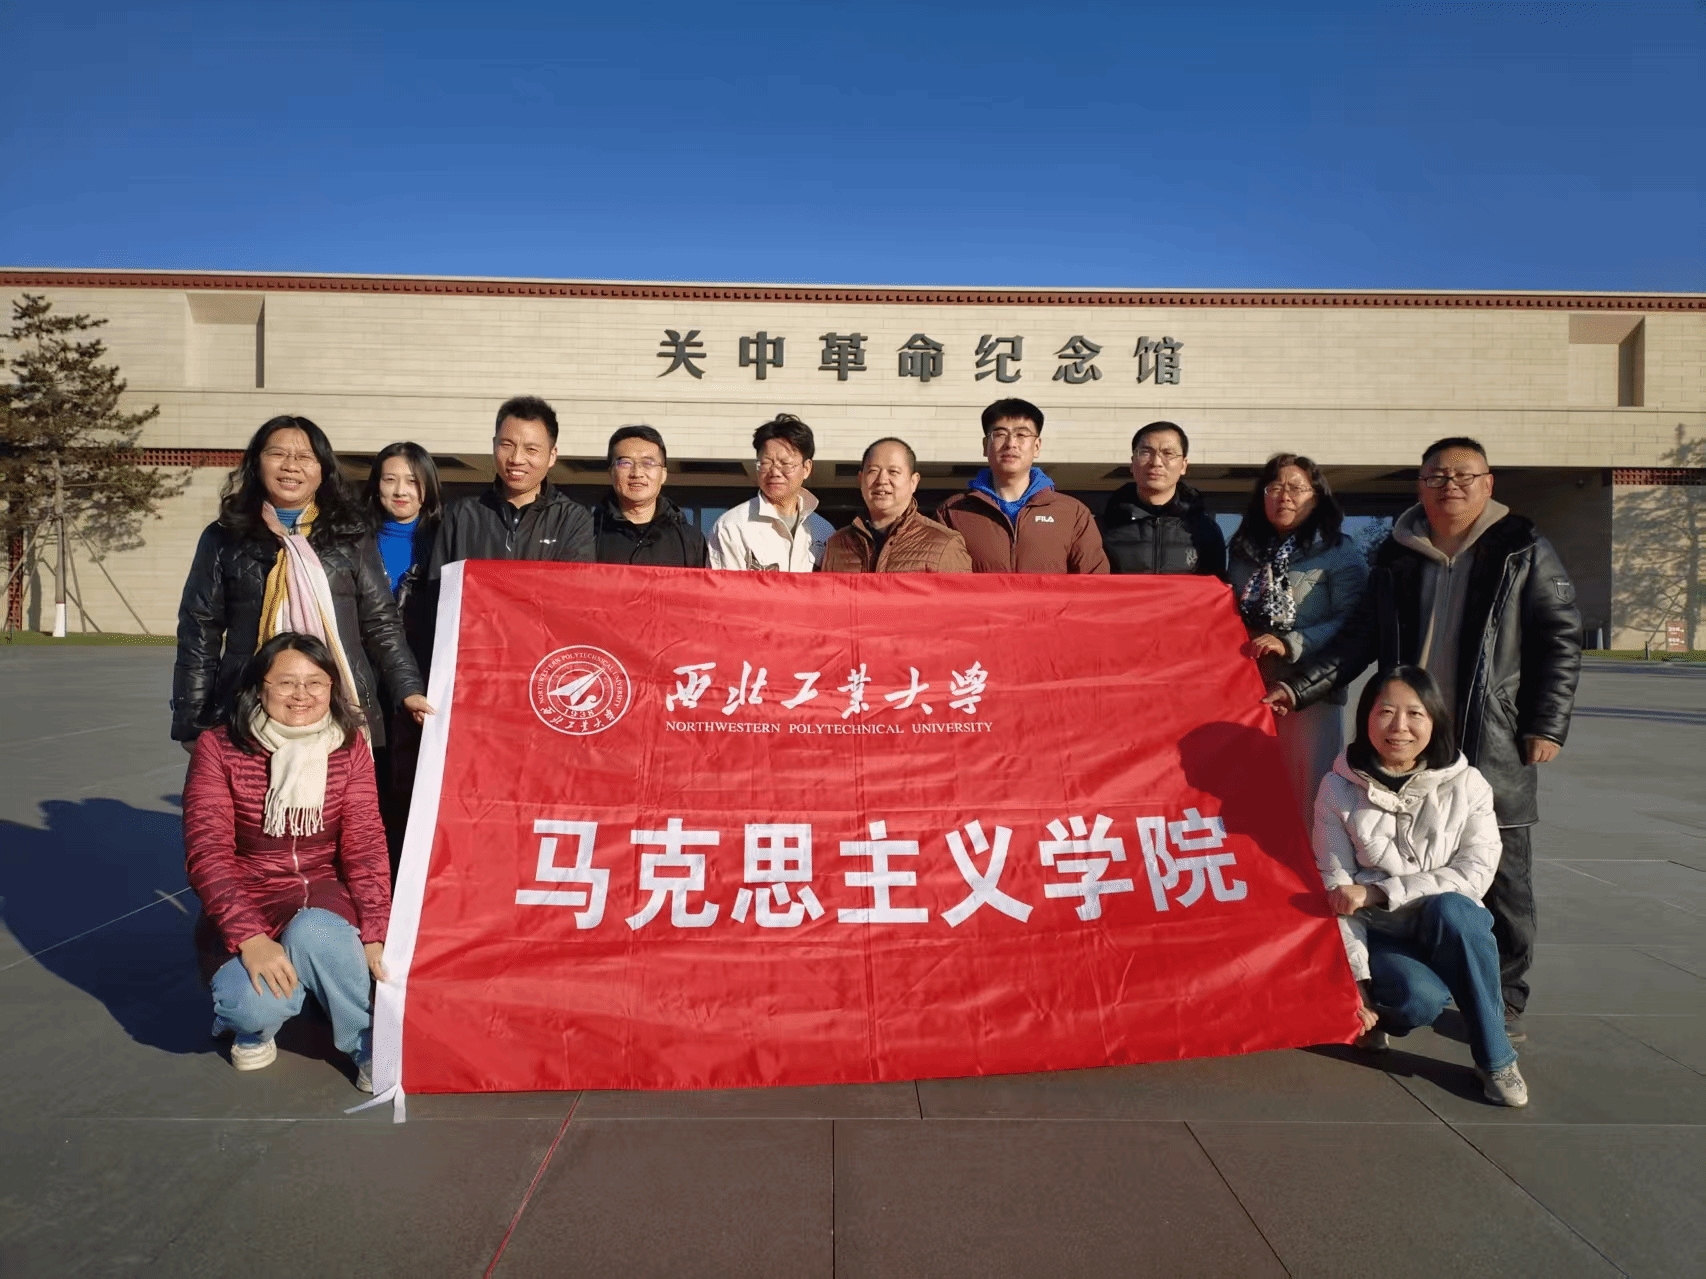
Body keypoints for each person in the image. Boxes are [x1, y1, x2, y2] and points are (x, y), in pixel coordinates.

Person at [1272, 437, 1581, 1043]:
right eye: (1437, 475)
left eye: (1464, 475)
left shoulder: (1521, 548)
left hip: (1490, 735)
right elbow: (1360, 637)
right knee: (1388, 854)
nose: (1450, 486)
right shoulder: (1397, 552)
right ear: (1420, 485)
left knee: (1505, 876)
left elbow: (1559, 636)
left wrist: (1545, 722)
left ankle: (1503, 1001)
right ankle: (1397, 976)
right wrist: (1298, 688)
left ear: (1488, 483)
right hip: (1403, 736)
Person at [184, 632, 392, 1089]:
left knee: (319, 933)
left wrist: (376, 930)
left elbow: (365, 843)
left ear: (331, 688)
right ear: (259, 687)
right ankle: (254, 1030)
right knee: (252, 1004)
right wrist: (251, 938)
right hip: (251, 894)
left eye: (315, 683)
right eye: (285, 683)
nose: (302, 695)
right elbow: (207, 853)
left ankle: (363, 1041)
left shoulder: (350, 744)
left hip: (323, 892)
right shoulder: (219, 747)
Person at [1314, 666, 1527, 1107]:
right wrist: (1356, 985)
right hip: (1382, 934)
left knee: (1457, 910)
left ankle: (1497, 1060)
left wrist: (1380, 891)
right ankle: (1381, 1017)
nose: (1399, 727)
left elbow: (1475, 872)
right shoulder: (1337, 788)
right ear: (1366, 718)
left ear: (1435, 721)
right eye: (1385, 712)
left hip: (1446, 924)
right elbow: (1337, 891)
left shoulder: (1468, 784)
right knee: (1417, 1002)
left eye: (1415, 714)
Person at [174, 416, 428, 750]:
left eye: (305, 457)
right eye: (277, 454)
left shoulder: (350, 535)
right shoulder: (223, 537)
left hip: (340, 706)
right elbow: (198, 632)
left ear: (323, 470)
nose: (291, 466)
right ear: (257, 463)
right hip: (248, 705)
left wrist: (409, 689)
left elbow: (381, 622)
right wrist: (193, 723)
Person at [1228, 454, 1368, 828]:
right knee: (1255, 800)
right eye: (1274, 487)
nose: (1284, 496)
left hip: (1311, 693)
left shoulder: (1338, 550)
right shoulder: (1242, 552)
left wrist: (1290, 642)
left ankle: (1313, 866)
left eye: (1296, 487)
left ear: (1316, 497)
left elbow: (1354, 621)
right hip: (1250, 694)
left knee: (1309, 800)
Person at [362, 441, 443, 874]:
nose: (401, 490)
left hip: (422, 683)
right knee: (367, 791)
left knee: (412, 790)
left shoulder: (444, 539)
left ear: (428, 486)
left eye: (412, 480)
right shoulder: (355, 539)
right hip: (364, 682)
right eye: (390, 479)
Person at [426, 395, 595, 576]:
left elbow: (575, 587)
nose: (516, 459)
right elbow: (440, 586)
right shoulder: (462, 515)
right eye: (507, 445)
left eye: (531, 449)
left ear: (552, 455)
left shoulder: (572, 520)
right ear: (494, 445)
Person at [935, 398, 1108, 573]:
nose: (1011, 444)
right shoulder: (952, 512)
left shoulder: (1073, 513)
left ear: (1037, 446)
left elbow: (1095, 581)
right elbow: (941, 580)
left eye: (1021, 435)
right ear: (986, 446)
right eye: (1000, 434)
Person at [822, 438, 973, 572]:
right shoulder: (837, 543)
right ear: (860, 479)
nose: (882, 480)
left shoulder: (945, 544)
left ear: (913, 481)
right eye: (873, 471)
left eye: (893, 472)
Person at [1099, 421, 1227, 578]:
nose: (1156, 462)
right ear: (1132, 463)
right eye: (1146, 452)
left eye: (1168, 453)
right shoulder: (1102, 528)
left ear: (1183, 465)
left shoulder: (1205, 530)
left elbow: (1216, 587)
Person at [708, 413, 834, 571]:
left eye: (785, 464)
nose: (775, 472)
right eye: (766, 463)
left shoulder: (824, 531)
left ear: (806, 468)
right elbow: (726, 586)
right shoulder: (732, 526)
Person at [591, 425, 709, 567]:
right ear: (611, 472)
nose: (637, 473)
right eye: (625, 463)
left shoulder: (690, 540)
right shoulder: (586, 534)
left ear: (663, 474)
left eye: (648, 463)